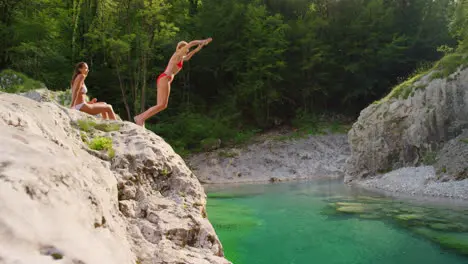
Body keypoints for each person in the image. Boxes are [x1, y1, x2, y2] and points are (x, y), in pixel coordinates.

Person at [133, 38, 213, 126]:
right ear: (180, 48)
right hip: (164, 78)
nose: (187, 50)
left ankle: (141, 118)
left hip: (167, 79)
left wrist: (199, 47)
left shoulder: (181, 57)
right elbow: (192, 43)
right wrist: (202, 41)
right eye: (186, 48)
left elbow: (189, 56)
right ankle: (140, 118)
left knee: (163, 105)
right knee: (160, 104)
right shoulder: (177, 54)